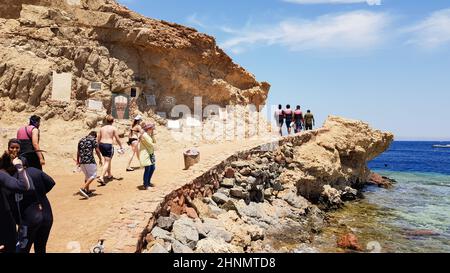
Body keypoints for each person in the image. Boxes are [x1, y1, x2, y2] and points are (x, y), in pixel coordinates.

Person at [4, 140, 55, 253]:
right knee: (41, 248)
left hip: (30, 219)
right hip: (47, 216)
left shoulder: (12, 178)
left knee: (22, 250)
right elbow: (51, 182)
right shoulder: (36, 171)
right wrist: (39, 193)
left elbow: (9, 201)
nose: (14, 150)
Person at [0, 140, 31, 253]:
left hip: (18, 194)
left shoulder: (22, 160)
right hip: (8, 195)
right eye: (12, 147)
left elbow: (26, 176)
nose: (14, 150)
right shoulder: (4, 159)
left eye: (17, 148)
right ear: (8, 148)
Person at [97, 115, 124, 185]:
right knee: (107, 161)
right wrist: (121, 146)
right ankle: (101, 177)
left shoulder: (101, 128)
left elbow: (98, 139)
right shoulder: (113, 128)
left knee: (107, 160)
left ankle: (109, 174)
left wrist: (97, 147)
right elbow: (117, 138)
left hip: (101, 145)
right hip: (108, 145)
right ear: (113, 121)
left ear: (106, 121)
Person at [77, 131, 103, 198]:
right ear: (95, 136)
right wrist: (100, 159)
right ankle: (83, 188)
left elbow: (78, 151)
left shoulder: (81, 140)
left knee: (87, 176)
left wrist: (78, 161)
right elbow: (97, 150)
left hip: (82, 161)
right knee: (93, 175)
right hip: (90, 161)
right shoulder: (93, 140)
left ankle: (87, 191)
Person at [139, 123, 156, 190]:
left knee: (152, 168)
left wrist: (152, 135)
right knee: (148, 169)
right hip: (146, 154)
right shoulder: (145, 135)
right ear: (149, 129)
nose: (153, 130)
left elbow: (154, 141)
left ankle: (148, 182)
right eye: (152, 129)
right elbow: (150, 144)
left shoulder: (148, 135)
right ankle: (145, 185)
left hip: (150, 153)